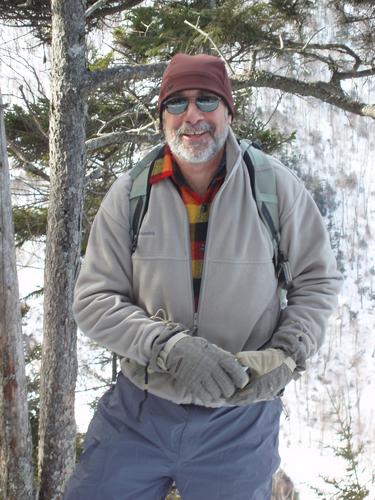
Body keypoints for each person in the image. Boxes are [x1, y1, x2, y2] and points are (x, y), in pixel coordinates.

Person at [64, 53, 342, 500]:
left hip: (241, 414)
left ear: (228, 111)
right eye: (176, 103)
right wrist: (167, 347)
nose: (191, 115)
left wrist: (288, 353)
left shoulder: (273, 187)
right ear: (162, 118)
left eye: (206, 100)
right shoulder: (132, 194)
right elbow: (94, 300)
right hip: (140, 408)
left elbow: (317, 281)